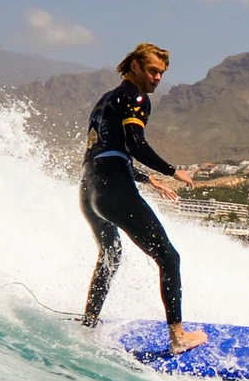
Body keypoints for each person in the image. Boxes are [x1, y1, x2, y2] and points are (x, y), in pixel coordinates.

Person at [80, 43, 203, 351]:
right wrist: (174, 172)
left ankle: (88, 323)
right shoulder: (136, 97)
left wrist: (149, 180)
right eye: (152, 70)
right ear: (134, 66)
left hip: (89, 189)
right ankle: (178, 337)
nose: (157, 78)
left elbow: (107, 152)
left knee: (111, 254)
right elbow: (135, 144)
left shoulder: (104, 101)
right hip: (114, 189)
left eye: (161, 73)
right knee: (169, 258)